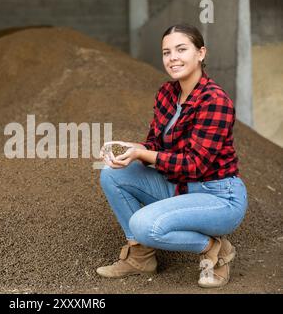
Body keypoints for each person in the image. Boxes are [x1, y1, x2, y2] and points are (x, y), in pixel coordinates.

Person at [97, 24, 248, 288]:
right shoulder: (167, 93)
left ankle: (216, 250)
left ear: (201, 53)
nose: (172, 58)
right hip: (179, 186)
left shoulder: (215, 100)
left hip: (219, 196)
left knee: (145, 225)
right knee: (112, 174)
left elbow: (195, 164)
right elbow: (157, 144)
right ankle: (140, 258)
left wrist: (144, 153)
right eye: (166, 52)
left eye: (181, 49)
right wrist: (132, 149)